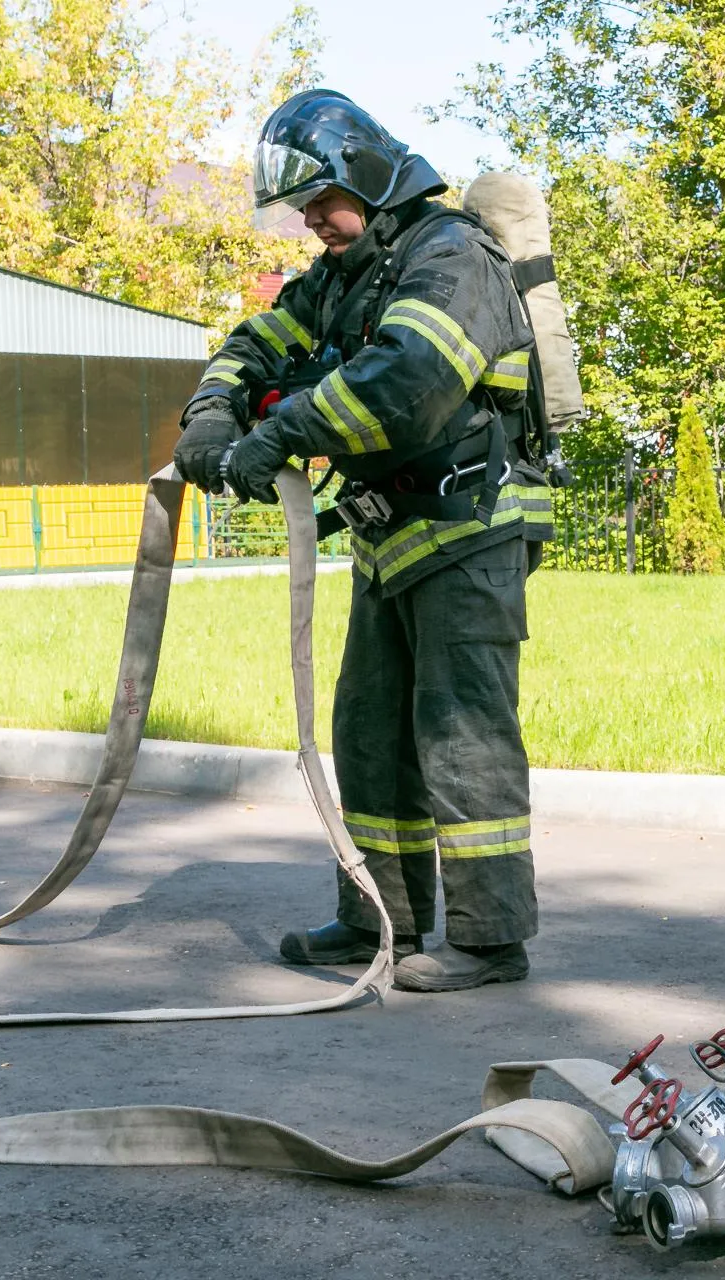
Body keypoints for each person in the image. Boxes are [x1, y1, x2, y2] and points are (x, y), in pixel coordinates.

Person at [171, 90, 552, 993]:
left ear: (369, 175)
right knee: (371, 734)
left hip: (469, 530)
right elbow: (257, 340)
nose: (310, 222)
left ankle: (492, 941)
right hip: (393, 539)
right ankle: (382, 919)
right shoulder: (346, 274)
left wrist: (281, 432)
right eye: (301, 208)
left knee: (462, 738)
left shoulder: (450, 257)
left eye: (320, 201)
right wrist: (213, 413)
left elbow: (409, 380)